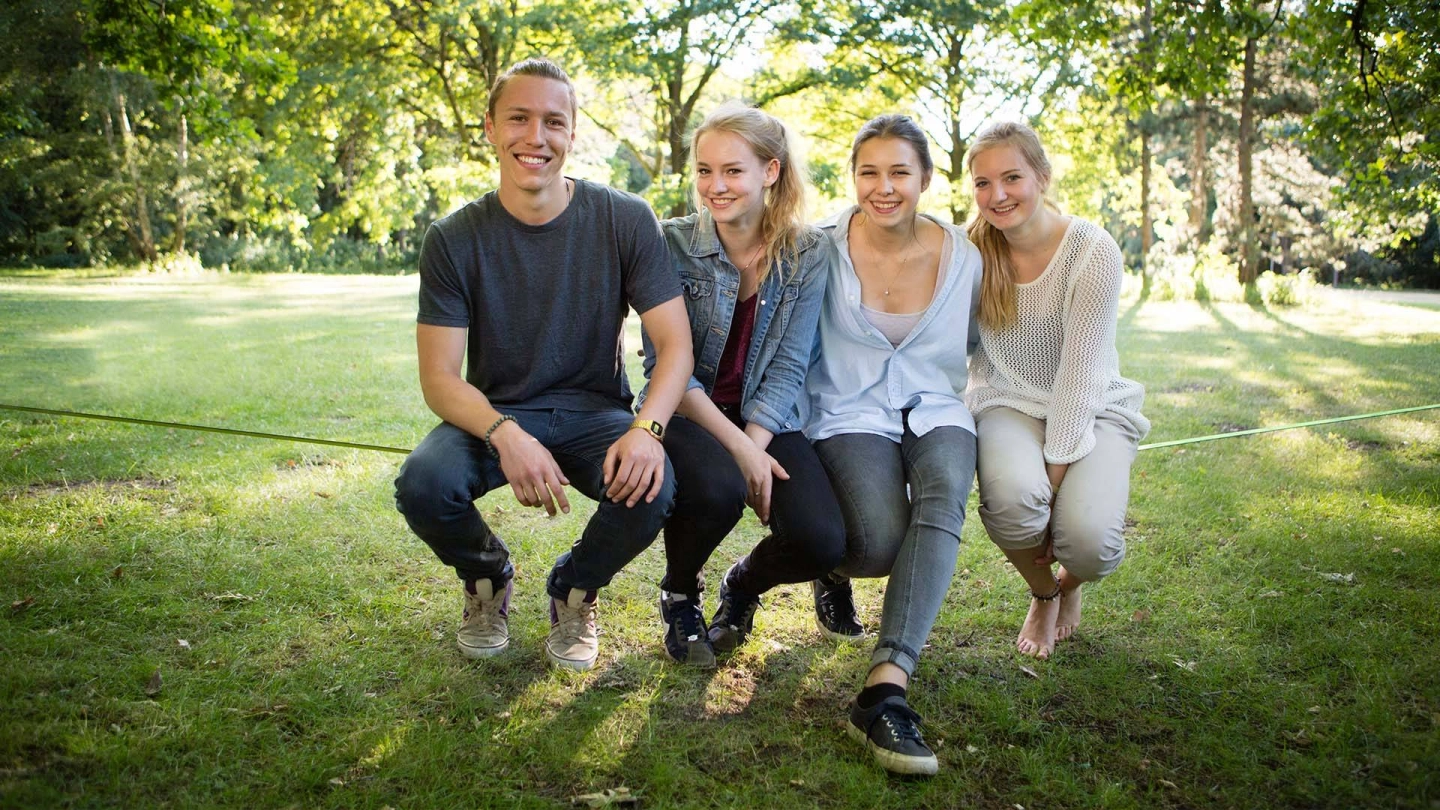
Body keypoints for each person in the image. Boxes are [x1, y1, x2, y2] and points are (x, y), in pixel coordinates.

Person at [392, 58, 693, 673]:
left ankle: (575, 590)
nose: (536, 137)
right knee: (424, 482)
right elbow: (440, 378)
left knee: (654, 483)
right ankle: (486, 578)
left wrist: (647, 430)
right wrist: (506, 434)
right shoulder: (453, 238)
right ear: (490, 129)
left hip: (595, 412)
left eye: (553, 122)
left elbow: (675, 345)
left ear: (573, 133)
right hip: (495, 413)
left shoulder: (625, 218)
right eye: (519, 119)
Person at [805, 114, 983, 776]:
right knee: (876, 544)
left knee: (944, 484)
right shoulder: (819, 246)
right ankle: (831, 567)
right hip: (848, 407)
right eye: (869, 172)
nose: (884, 187)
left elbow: (985, 340)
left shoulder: (964, 255)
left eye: (899, 172)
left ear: (927, 179)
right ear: (852, 178)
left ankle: (887, 683)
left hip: (935, 404)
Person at [639, 102, 844, 668]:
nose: (715, 186)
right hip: (687, 409)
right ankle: (680, 593)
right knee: (718, 485)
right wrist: (739, 454)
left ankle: (743, 585)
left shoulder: (807, 252)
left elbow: (789, 365)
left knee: (821, 540)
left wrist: (754, 444)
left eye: (733, 171)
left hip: (768, 414)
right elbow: (666, 366)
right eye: (705, 170)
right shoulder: (671, 243)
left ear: (770, 172)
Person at [963, 120, 1149, 661]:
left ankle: (1071, 582)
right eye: (981, 183)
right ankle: (1045, 594)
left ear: (1042, 176)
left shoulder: (1091, 249)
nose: (996, 195)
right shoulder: (971, 250)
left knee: (1090, 545)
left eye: (1011, 177)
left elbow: (1080, 377)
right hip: (1005, 401)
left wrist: (1056, 473)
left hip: (1093, 404)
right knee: (1017, 508)